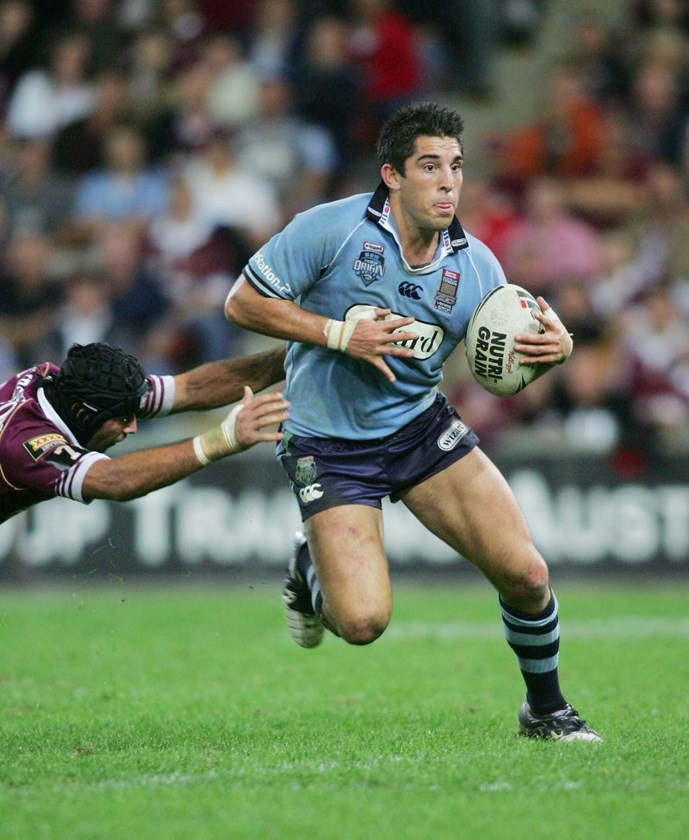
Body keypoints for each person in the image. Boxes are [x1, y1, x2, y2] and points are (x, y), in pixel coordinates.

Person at [225, 101, 601, 742]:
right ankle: (309, 567)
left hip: (420, 431)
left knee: (528, 574)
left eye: (456, 166)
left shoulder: (477, 267)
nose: (448, 181)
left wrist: (552, 352)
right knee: (363, 622)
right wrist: (339, 333)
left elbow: (503, 366)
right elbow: (243, 302)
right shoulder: (332, 231)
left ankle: (546, 710)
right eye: (430, 166)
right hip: (327, 441)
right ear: (392, 175)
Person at [0, 341, 288, 524]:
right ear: (82, 412)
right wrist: (221, 441)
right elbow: (114, 479)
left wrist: (294, 355)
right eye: (123, 419)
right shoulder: (26, 444)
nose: (133, 427)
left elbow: (191, 389)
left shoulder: (68, 386)